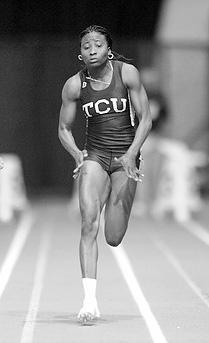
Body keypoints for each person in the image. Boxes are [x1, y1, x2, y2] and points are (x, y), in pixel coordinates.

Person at [58, 25, 152, 324]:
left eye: (98, 44)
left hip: (125, 158)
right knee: (88, 222)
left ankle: (116, 191)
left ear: (108, 50)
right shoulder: (74, 85)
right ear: (80, 54)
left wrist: (131, 154)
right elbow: (63, 128)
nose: (92, 49)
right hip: (95, 157)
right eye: (86, 46)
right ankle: (89, 302)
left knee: (112, 236)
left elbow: (146, 118)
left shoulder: (128, 73)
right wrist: (77, 154)